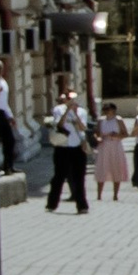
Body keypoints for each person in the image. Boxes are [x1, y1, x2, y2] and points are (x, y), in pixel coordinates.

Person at [42, 85, 90, 214]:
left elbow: (82, 128)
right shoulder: (58, 109)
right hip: (62, 147)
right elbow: (59, 125)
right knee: (59, 176)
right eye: (68, 97)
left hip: (77, 147)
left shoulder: (81, 111)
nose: (70, 99)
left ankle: (82, 205)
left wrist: (74, 114)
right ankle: (52, 203)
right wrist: (67, 110)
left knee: (79, 177)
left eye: (72, 97)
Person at [92, 97, 129, 204]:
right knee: (102, 168)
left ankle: (115, 195)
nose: (106, 112)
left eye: (108, 109)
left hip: (115, 145)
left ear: (113, 110)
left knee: (116, 168)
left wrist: (117, 135)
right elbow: (96, 132)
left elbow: (125, 134)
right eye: (105, 110)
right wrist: (97, 138)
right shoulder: (101, 120)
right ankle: (99, 195)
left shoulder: (118, 120)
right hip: (104, 146)